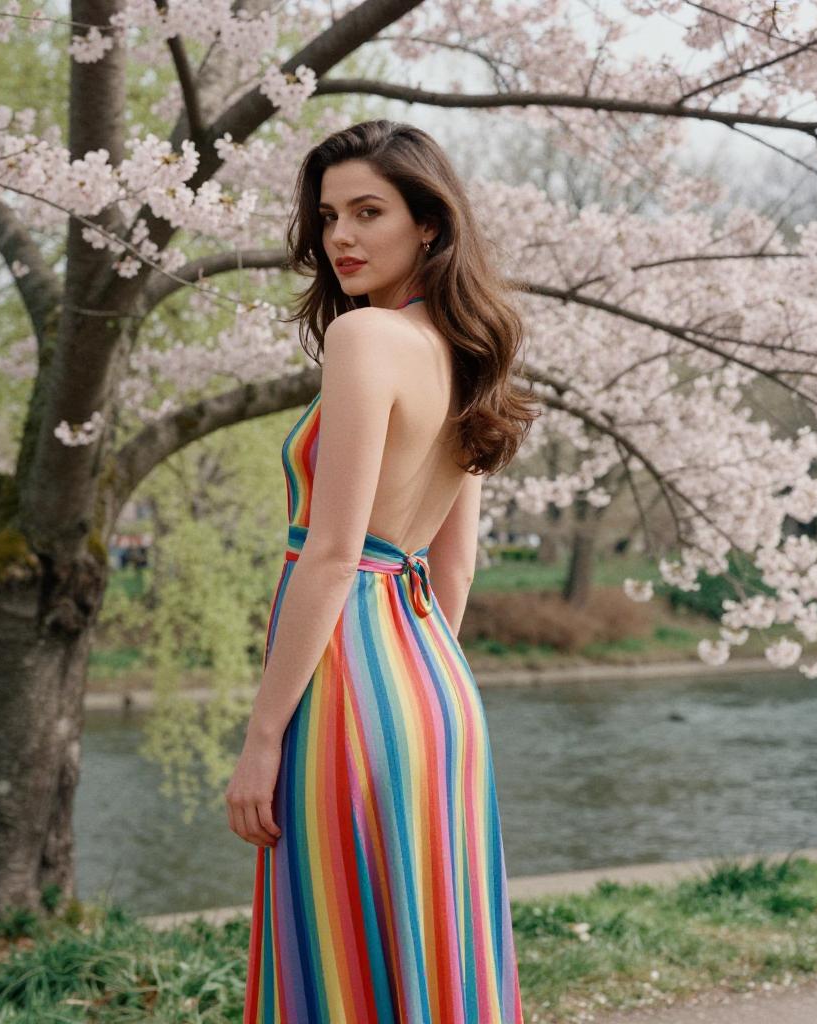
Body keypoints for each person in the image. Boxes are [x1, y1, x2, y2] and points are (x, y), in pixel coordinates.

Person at [228, 118, 541, 1023]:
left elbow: (332, 556)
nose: (342, 238)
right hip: (435, 685)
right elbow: (456, 567)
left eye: (369, 212)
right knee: (431, 944)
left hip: (346, 682)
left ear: (428, 224)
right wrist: (412, 680)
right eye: (329, 217)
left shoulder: (365, 338)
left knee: (338, 954)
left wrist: (262, 738)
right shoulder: (468, 354)